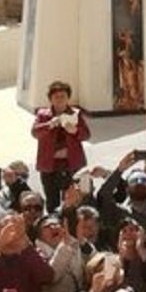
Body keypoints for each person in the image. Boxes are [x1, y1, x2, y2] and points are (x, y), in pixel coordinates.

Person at [30, 81, 90, 211]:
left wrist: (75, 131)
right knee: (52, 202)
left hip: (72, 164)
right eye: (56, 97)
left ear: (68, 98)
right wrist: (49, 125)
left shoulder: (76, 114)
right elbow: (35, 132)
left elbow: (86, 135)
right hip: (50, 166)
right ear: (50, 99)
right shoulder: (43, 115)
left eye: (63, 96)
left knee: (75, 200)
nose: (60, 100)